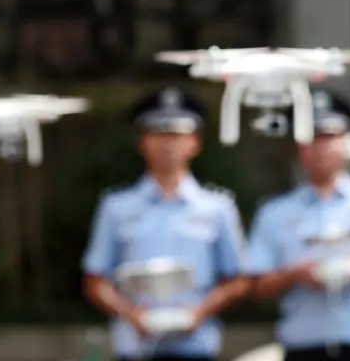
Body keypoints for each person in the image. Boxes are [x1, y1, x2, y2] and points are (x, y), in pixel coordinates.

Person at [245, 90, 350, 361]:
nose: (322, 147)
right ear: (299, 147)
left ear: (346, 142)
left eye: (330, 137)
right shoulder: (274, 212)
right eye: (313, 138)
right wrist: (295, 275)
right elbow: (257, 286)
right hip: (304, 347)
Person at [82, 87, 250, 361]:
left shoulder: (217, 207)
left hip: (196, 347)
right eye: (159, 133)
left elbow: (238, 280)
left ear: (195, 143)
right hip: (135, 348)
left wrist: (200, 311)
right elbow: (95, 281)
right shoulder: (116, 207)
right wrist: (132, 314)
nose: (168, 144)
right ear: (143, 142)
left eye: (177, 134)